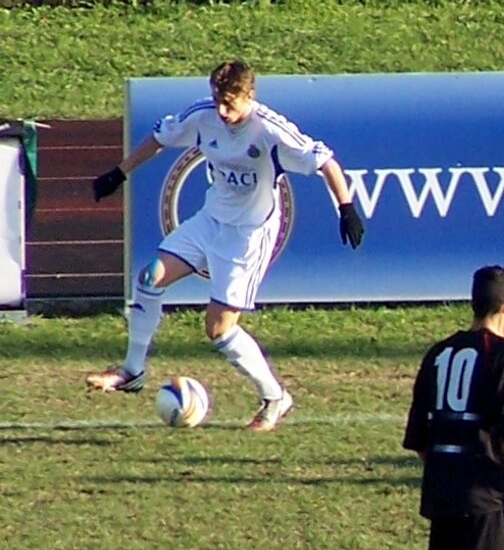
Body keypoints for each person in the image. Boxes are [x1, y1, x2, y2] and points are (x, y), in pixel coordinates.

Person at [86, 59, 364, 432]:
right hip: (210, 219)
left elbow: (327, 163)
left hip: (249, 235)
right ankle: (132, 371)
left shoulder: (269, 129)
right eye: (218, 99)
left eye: (230, 103)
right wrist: (119, 173)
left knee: (218, 329)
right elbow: (159, 139)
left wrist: (346, 209)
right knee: (150, 277)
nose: (222, 110)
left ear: (249, 95)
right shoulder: (203, 116)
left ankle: (275, 396)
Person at [402, 265, 504, 550]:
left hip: (443, 496)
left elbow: (419, 435)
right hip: (488, 496)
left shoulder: (438, 353)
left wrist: (448, 471)